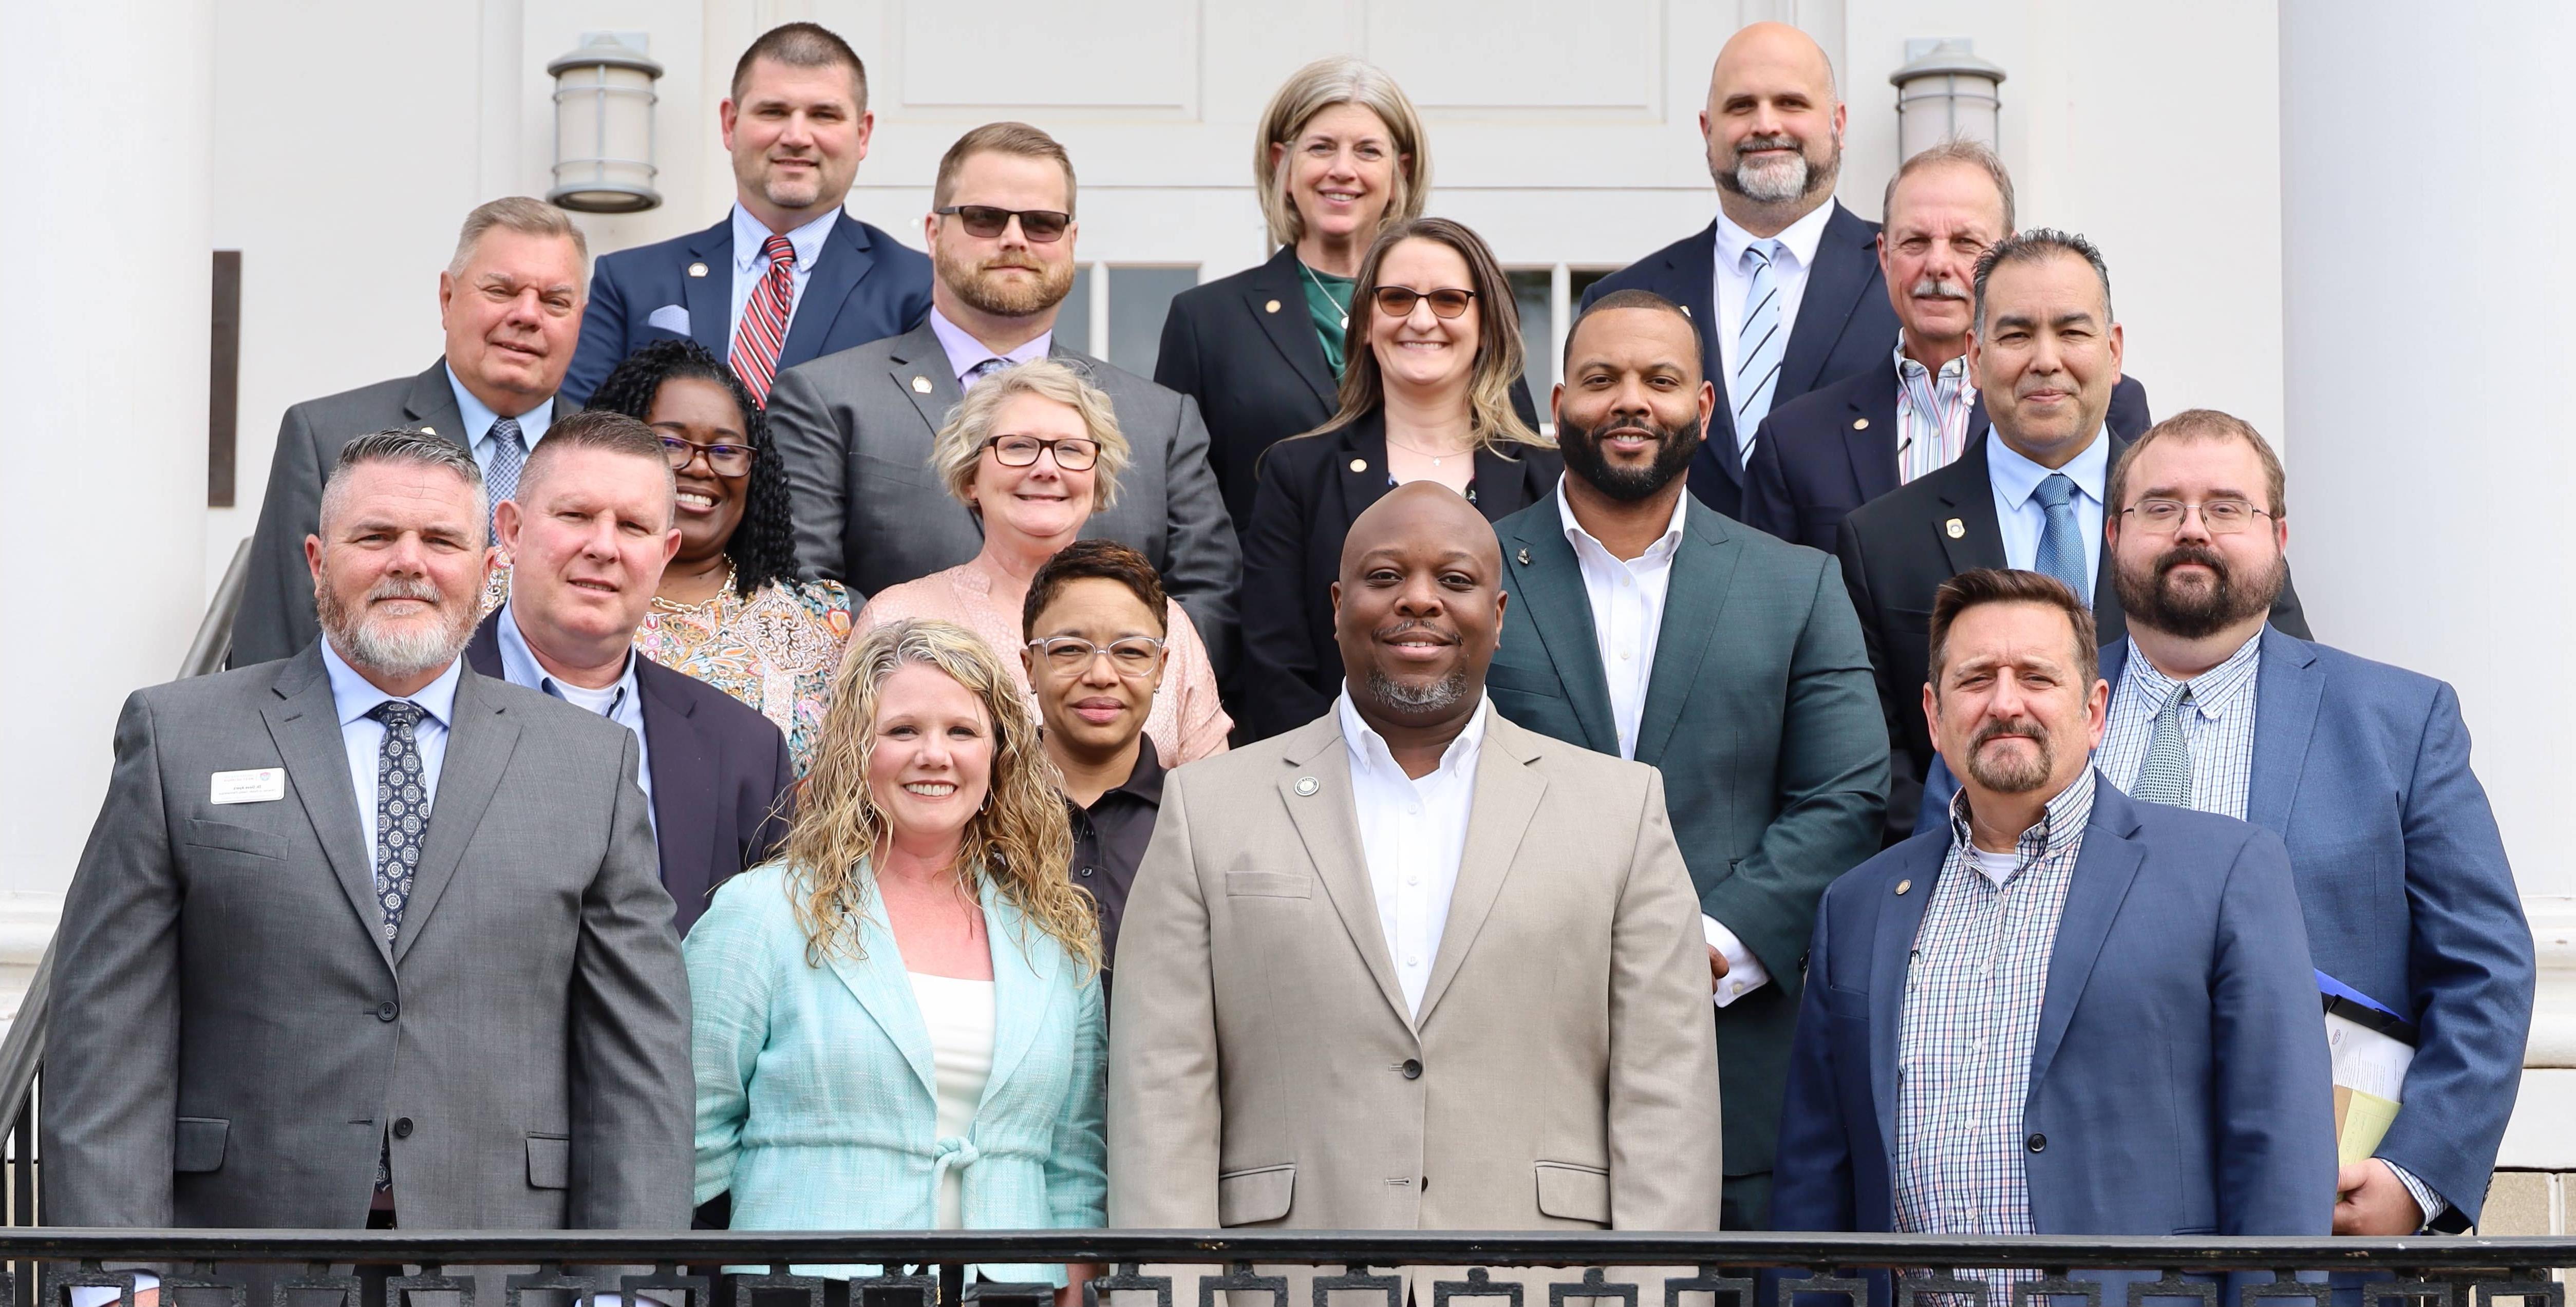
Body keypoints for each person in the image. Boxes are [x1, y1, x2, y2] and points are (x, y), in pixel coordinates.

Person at [48, 430, 691, 1230]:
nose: (408, 562)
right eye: (376, 536)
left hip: (502, 1266)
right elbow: (105, 1031)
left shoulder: (589, 765)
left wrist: (622, 1287)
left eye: (442, 540)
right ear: (318, 561)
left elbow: (640, 1062)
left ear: (489, 568)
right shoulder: (181, 735)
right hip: (242, 1257)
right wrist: (116, 1275)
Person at [1109, 483, 1723, 1241]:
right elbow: (1158, 1095)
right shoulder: (1207, 808)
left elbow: (1666, 1100)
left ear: (1497, 617)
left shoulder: (1620, 811)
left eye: (1456, 581)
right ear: (1337, 605)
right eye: (1385, 576)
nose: (1419, 601)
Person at [1772, 569, 2334, 1277]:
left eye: (2035, 677)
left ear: (2094, 710)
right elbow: (1813, 1186)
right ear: (1933, 714)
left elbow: (2279, 1150)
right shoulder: (1856, 906)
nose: (2004, 703)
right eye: (1975, 679)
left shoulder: (2223, 873)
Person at [1488, 290, 1885, 1231]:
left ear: (1704, 409)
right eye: (1602, 379)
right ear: (1557, 404)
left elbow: (1847, 792)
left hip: (1737, 1066)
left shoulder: (1796, 584)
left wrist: (1707, 948)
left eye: (1660, 381)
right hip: (1508, 1052)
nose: (1632, 400)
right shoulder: (1472, 575)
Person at [2085, 411, 2529, 1233]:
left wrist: (2416, 1174)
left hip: (2315, 1218)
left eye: (2226, 507)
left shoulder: (2399, 722)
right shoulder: (2032, 716)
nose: (2191, 529)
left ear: (2277, 536)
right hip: (2081, 1216)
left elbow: (2484, 970)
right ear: (2113, 534)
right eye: (2158, 507)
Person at [1835, 230, 2311, 840]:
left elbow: (2287, 689)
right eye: (2014, 334)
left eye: (2071, 331)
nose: (2045, 359)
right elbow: (1882, 761)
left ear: (2113, 352)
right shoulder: (1881, 539)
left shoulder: (2206, 527)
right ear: (1975, 358)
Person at [688, 618, 1104, 1290]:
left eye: (961, 732)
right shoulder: (761, 913)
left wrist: (1073, 1291)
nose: (933, 755)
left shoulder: (1053, 938)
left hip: (1008, 1293)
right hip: (806, 1291)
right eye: (903, 730)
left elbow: (1077, 1162)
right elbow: (690, 1137)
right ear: (857, 749)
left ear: (999, 755)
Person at [768, 121, 1238, 668]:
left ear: (1071, 241)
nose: (1014, 238)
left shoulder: (1161, 420)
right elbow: (803, 593)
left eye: (1041, 223)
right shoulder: (825, 397)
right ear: (933, 231)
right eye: (984, 218)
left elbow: (1209, 597)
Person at [463, 410, 796, 936]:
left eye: (633, 526)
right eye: (575, 515)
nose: (603, 547)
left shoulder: (747, 750)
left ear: (664, 554)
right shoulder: (421, 705)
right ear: (510, 530)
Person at [1742, 141, 2153, 554]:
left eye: (1964, 243)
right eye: (1916, 242)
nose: (1937, 264)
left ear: (2005, 255)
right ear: (1884, 256)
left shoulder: (2109, 406)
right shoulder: (1796, 440)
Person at [1237, 217, 1561, 741]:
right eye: (1396, 299)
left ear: (1486, 324)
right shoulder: (1297, 474)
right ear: (1365, 322)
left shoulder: (1550, 478)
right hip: (1336, 784)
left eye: (1448, 300)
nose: (1420, 318)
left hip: (1514, 788)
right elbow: (1275, 664)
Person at [237, 198, 589, 667]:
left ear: (580, 318)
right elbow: (273, 645)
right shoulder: (327, 436)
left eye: (555, 301)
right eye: (502, 291)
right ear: (448, 298)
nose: (528, 315)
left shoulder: (612, 461)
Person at [1579, 22, 1899, 521]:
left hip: (1851, 596)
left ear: (1837, 122)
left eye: (1790, 103)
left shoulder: (1903, 281)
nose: (1765, 124)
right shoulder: (1622, 298)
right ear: (1707, 129)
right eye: (1740, 106)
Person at [854, 359, 1231, 764]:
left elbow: (1213, 800)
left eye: (1071, 449)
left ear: (1096, 479)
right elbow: (847, 791)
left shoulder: (1162, 624)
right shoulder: (897, 617)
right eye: (1018, 446)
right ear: (970, 476)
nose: (1047, 468)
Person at [560, 23, 932, 409]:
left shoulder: (919, 290)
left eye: (823, 115)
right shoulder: (629, 281)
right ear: (729, 123)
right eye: (774, 111)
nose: (796, 136)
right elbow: (580, 433)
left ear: (863, 134)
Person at [1154, 56, 1435, 537]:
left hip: (1426, 604)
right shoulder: (1206, 321)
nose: (1342, 170)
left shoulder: (1458, 313)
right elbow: (1174, 505)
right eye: (1321, 148)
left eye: (1367, 151)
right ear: (1281, 164)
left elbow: (1513, 475)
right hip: (1261, 604)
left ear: (1399, 173)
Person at [588, 339, 855, 773]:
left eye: (727, 451)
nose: (700, 467)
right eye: (670, 443)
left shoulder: (817, 625)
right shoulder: (534, 585)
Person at [1018, 540, 1176, 979]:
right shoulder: (979, 808)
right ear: (1030, 666)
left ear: (1160, 668)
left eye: (1130, 652)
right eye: (1069, 649)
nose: (1101, 675)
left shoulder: (1197, 820)